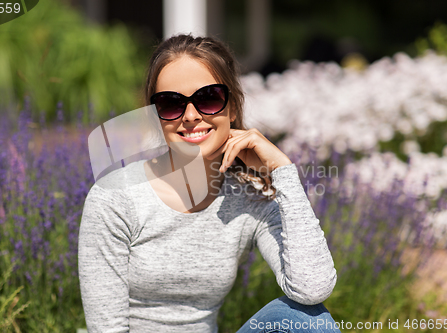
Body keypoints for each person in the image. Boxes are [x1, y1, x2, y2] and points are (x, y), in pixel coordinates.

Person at [78, 34, 340, 333]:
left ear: (231, 107)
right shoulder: (116, 198)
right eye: (170, 103)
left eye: (208, 98)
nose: (190, 116)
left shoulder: (249, 197)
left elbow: (312, 288)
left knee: (310, 322)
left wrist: (282, 171)